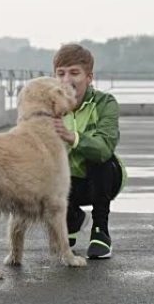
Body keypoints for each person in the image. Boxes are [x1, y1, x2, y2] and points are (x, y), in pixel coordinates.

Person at [51, 43, 127, 259]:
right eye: (61, 73)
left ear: (89, 77)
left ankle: (100, 231)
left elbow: (104, 148)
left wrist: (71, 137)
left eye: (74, 73)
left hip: (102, 179)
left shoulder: (105, 103)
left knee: (99, 159)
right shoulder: (48, 105)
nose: (67, 80)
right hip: (65, 182)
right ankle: (72, 219)